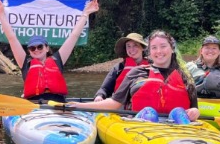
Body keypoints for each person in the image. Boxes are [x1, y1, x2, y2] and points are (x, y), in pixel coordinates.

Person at [0, 0, 99, 103]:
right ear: (29, 51)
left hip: (58, 105)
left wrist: (86, 13)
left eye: (40, 46)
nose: (36, 50)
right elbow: (12, 38)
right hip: (34, 106)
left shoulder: (57, 60)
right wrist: (1, 13)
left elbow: (74, 36)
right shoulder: (25, 63)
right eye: (32, 48)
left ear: (47, 48)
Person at [69, 30, 200, 122]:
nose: (159, 51)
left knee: (178, 112)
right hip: (142, 125)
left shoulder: (185, 77)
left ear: (172, 49)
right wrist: (79, 106)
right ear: (149, 51)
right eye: (154, 47)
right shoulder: (136, 73)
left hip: (178, 126)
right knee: (149, 113)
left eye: (163, 46)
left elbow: (195, 108)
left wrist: (195, 112)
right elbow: (115, 103)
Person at [94, 33, 148, 102]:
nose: (131, 49)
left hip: (144, 104)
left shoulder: (152, 66)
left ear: (142, 48)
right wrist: (99, 95)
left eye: (135, 45)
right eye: (128, 46)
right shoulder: (118, 68)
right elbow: (105, 88)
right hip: (120, 105)